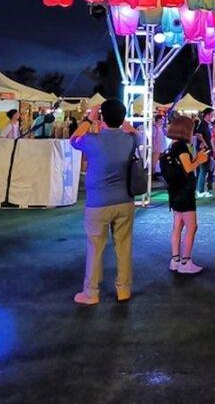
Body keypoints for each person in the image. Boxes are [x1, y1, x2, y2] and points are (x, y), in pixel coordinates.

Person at [69, 99, 139, 306]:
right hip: (125, 200)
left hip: (98, 202)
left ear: (102, 117)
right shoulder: (130, 140)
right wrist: (123, 121)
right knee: (124, 246)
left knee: (95, 247)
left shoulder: (92, 140)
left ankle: (91, 292)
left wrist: (89, 118)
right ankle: (123, 289)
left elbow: (73, 139)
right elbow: (134, 133)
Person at [161, 115, 208, 274]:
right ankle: (185, 261)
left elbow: (182, 167)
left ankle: (175, 259)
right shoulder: (181, 147)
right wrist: (199, 160)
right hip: (185, 192)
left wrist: (195, 159)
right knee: (191, 227)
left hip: (174, 191)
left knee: (177, 226)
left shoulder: (172, 146)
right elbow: (188, 168)